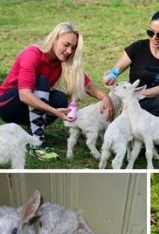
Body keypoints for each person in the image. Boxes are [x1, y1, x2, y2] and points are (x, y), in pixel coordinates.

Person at [0, 22, 114, 161]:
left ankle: (34, 130)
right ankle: (37, 144)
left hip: (29, 106)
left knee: (60, 98)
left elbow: (87, 85)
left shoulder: (62, 61)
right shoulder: (32, 54)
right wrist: (54, 111)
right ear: (54, 39)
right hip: (8, 105)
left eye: (73, 47)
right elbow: (24, 95)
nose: (69, 51)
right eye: (66, 45)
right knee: (42, 81)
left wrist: (105, 98)